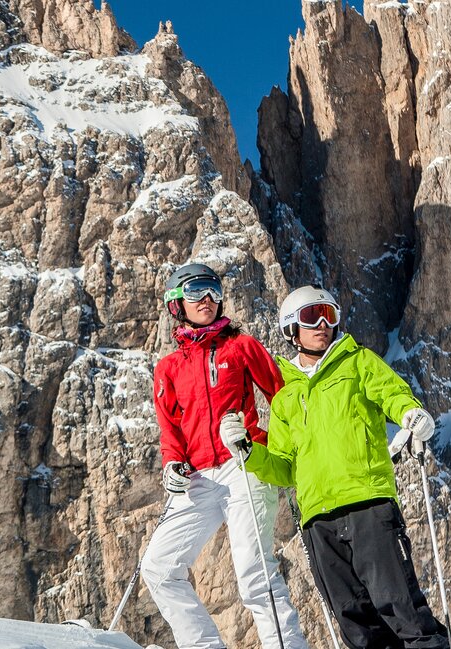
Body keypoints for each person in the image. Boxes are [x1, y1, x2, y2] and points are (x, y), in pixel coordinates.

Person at [224, 285, 449, 649]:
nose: (323, 324)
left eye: (329, 315)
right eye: (312, 317)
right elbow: (284, 468)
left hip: (368, 505)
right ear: (291, 328)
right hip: (318, 521)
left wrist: (410, 413)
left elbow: (392, 394)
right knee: (357, 627)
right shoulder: (285, 398)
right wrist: (249, 452)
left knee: (403, 610)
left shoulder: (358, 362)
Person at [142, 262, 308, 649]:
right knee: (159, 568)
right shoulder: (168, 368)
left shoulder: (241, 347)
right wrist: (172, 463)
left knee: (254, 574)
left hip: (243, 466)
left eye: (214, 291)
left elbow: (283, 398)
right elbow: (170, 428)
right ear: (176, 303)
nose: (207, 298)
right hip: (197, 477)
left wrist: (271, 448)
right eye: (196, 290)